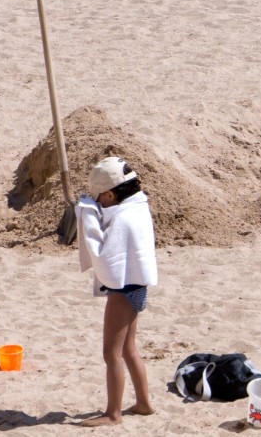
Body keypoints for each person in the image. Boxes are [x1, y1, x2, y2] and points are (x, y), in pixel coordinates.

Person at [75, 157, 158, 426]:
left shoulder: (122, 218)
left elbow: (105, 256)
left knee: (111, 353)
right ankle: (144, 403)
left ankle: (113, 414)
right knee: (128, 349)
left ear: (111, 194)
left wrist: (87, 214)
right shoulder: (138, 206)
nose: (98, 203)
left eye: (100, 198)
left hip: (124, 288)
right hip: (139, 284)